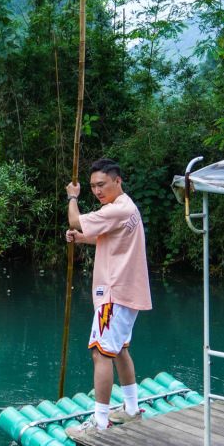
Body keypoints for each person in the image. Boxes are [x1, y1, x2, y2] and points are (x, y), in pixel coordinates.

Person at [65, 157, 152, 430]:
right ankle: (131, 408)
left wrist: (72, 196)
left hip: (114, 294)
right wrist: (81, 239)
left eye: (101, 184)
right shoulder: (125, 207)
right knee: (119, 350)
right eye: (91, 187)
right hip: (126, 293)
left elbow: (75, 220)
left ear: (118, 181)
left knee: (101, 354)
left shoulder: (116, 210)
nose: (96, 191)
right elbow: (109, 237)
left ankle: (100, 422)